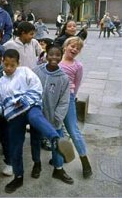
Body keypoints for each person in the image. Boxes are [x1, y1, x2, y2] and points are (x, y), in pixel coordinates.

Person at [0, 49, 75, 194]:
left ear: (18, 63)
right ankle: (18, 176)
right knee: (15, 146)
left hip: (30, 106)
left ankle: (55, 139)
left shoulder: (25, 72)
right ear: (3, 62)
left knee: (36, 118)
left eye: (12, 65)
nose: (9, 68)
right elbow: (3, 103)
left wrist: (22, 100)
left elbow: (36, 88)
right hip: (14, 115)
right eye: (6, 64)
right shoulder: (0, 82)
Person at [33, 45, 74, 184]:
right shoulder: (37, 71)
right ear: (46, 55)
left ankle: (58, 168)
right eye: (51, 54)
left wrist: (57, 117)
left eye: (58, 55)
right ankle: (36, 164)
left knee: (57, 142)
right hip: (37, 116)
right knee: (35, 141)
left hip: (53, 119)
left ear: (61, 56)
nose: (54, 58)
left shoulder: (63, 78)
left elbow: (64, 101)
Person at [59, 36, 93, 179]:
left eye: (77, 48)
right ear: (65, 47)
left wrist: (72, 97)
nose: (74, 49)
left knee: (73, 130)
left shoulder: (77, 66)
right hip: (54, 100)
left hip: (68, 99)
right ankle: (60, 157)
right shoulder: (56, 60)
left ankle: (85, 161)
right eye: (72, 46)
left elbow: (77, 84)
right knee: (57, 129)